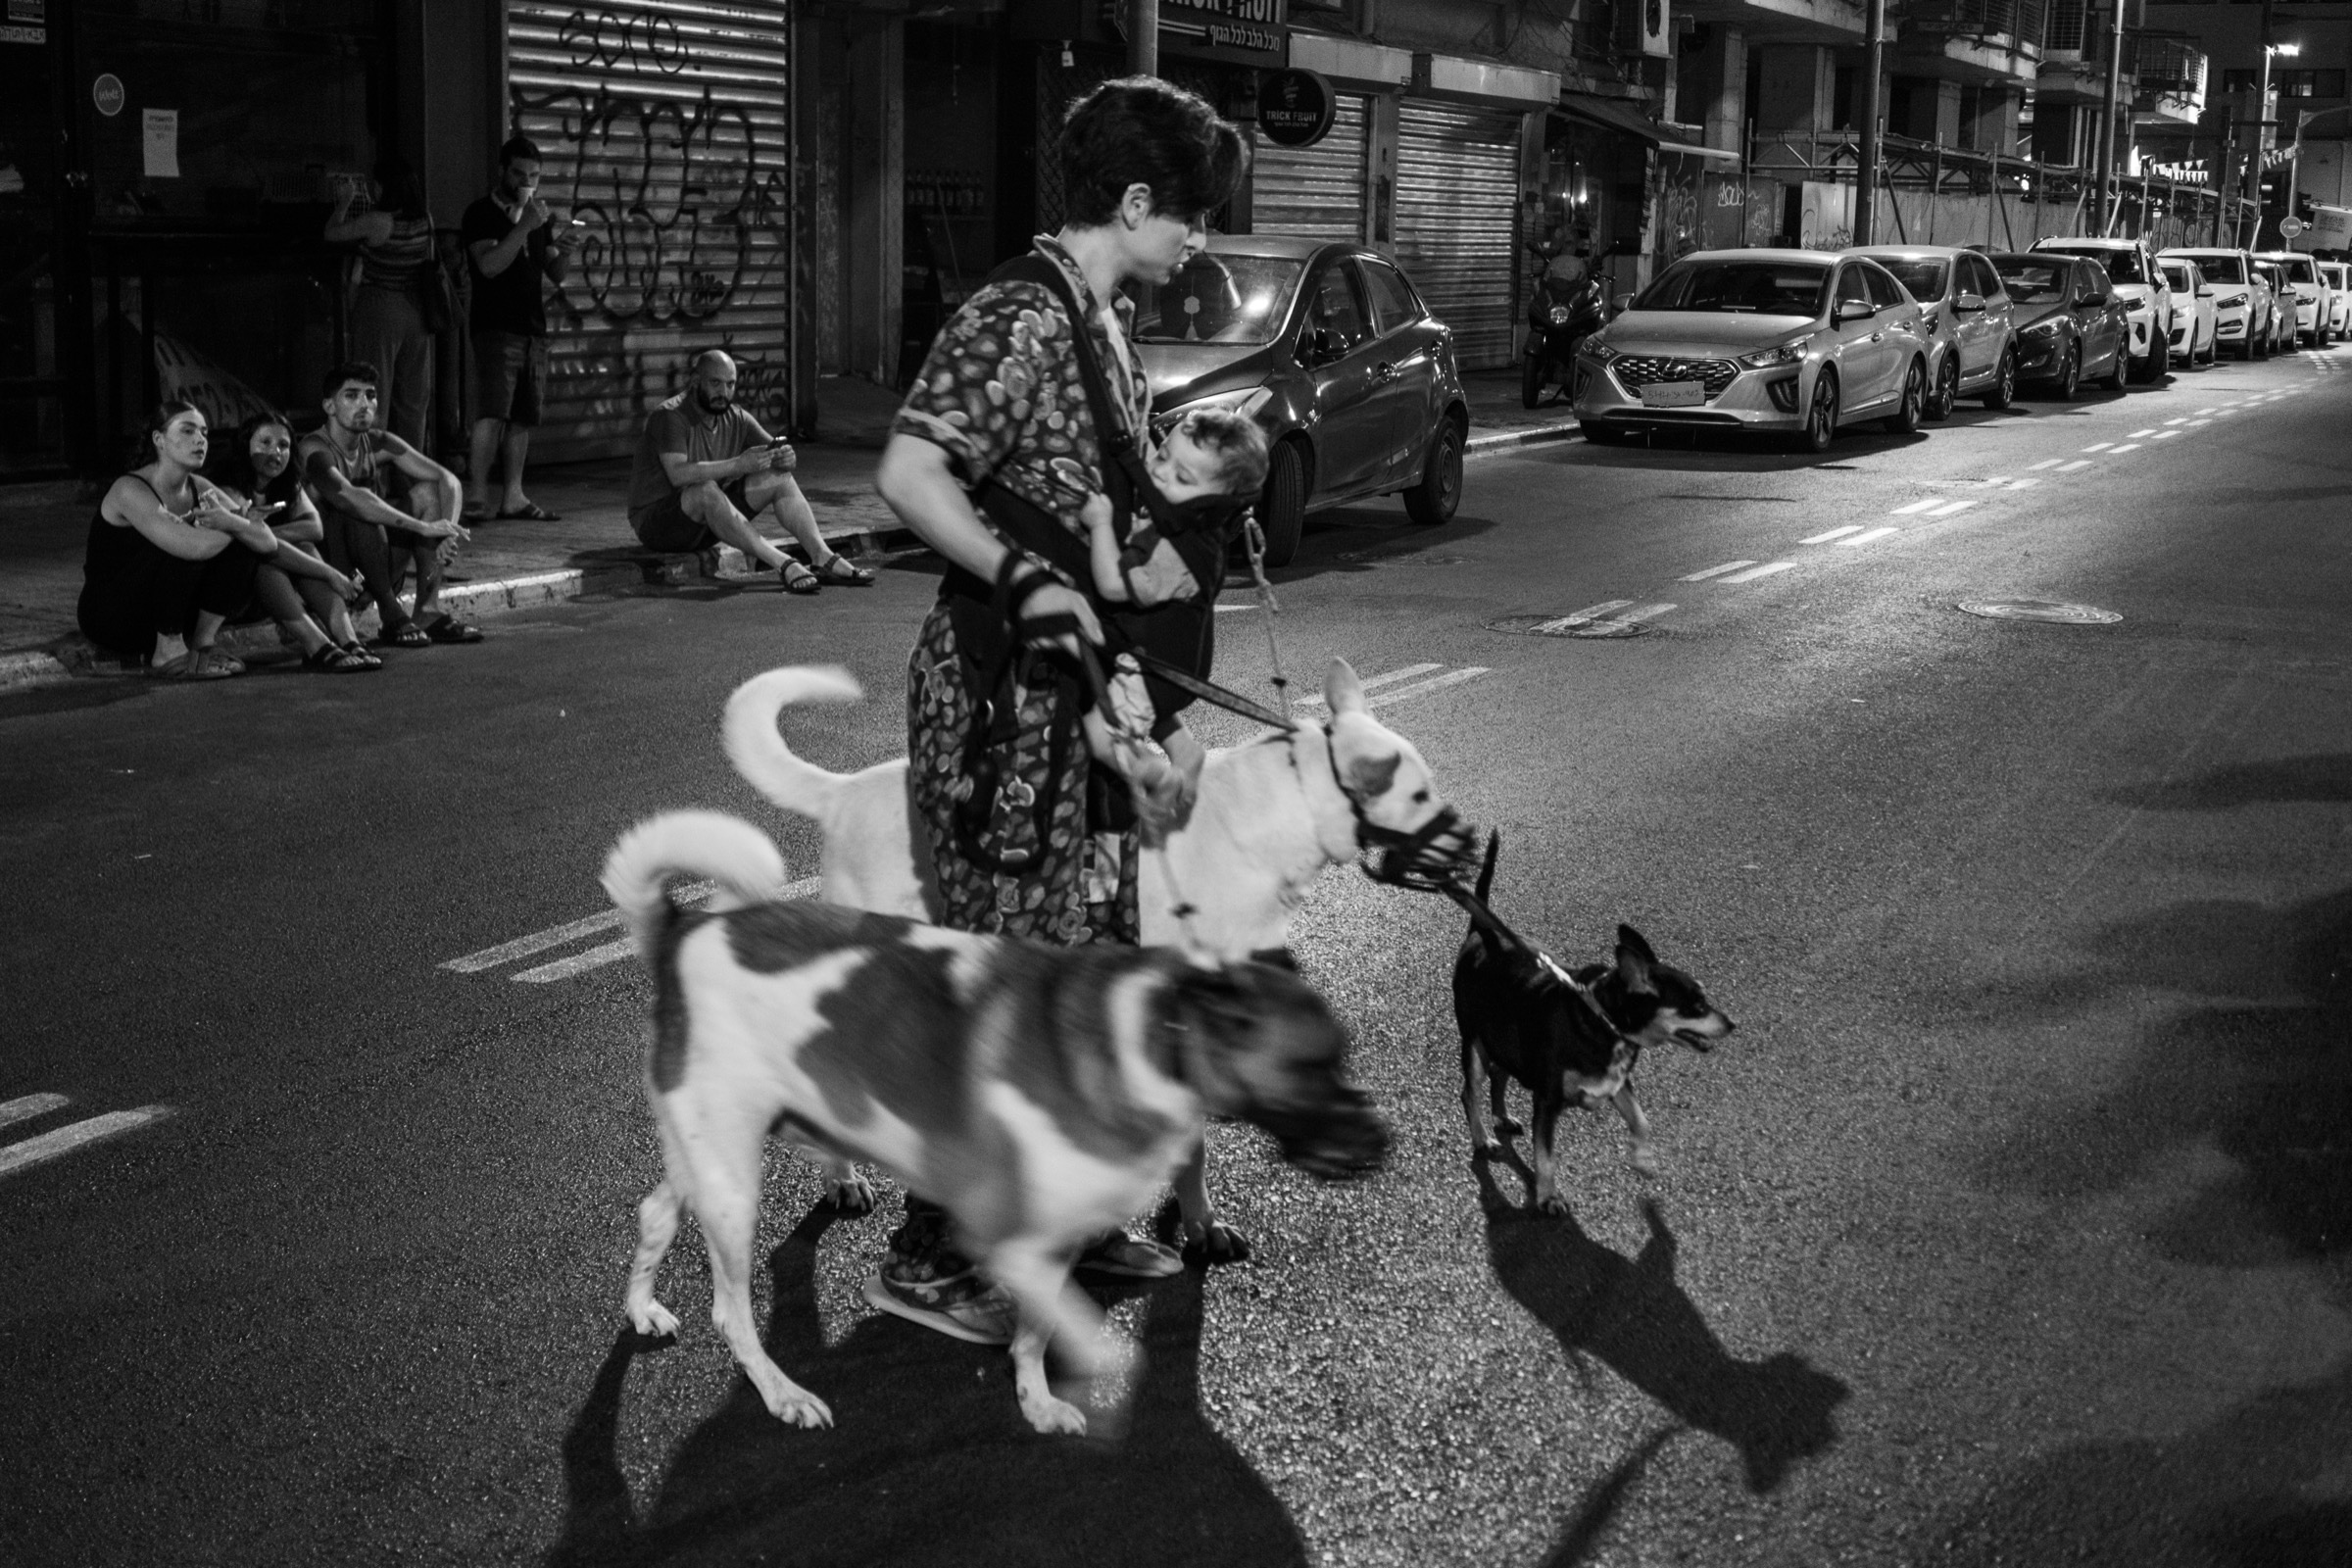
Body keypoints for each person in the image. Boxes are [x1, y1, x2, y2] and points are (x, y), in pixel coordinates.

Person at [870, 75, 1246, 1342]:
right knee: (994, 974)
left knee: (1076, 968)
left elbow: (1116, 528)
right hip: (990, 705)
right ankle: (931, 1249)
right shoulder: (1016, 317)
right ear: (1134, 201)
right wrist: (1016, 571)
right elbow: (910, 472)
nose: (1197, 238)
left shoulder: (1110, 328)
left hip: (1070, 713)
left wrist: (1140, 684)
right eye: (1189, 214)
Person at [626, 350, 875, 593]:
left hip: (706, 525)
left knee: (779, 477)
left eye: (730, 384)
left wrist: (787, 457)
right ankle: (782, 562)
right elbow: (678, 474)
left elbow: (777, 449)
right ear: (695, 382)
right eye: (715, 383)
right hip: (658, 525)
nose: (723, 393)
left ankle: (822, 555)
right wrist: (738, 464)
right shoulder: (670, 416)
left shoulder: (737, 418)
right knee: (706, 490)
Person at [80, 402, 292, 679]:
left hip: (165, 612)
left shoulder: (200, 486)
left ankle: (203, 643)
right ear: (159, 440)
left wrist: (237, 523)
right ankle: (168, 652)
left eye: (204, 433)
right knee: (193, 539)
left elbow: (267, 542)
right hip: (114, 616)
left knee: (243, 545)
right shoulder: (129, 489)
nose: (200, 440)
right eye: (188, 431)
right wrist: (237, 524)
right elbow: (193, 547)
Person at [299, 361, 481, 648]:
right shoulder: (314, 448)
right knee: (360, 508)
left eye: (370, 395)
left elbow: (447, 479)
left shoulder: (378, 442)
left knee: (429, 494)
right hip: (335, 570)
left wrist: (448, 530)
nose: (364, 404)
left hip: (377, 562)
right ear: (329, 406)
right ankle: (390, 609)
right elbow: (348, 496)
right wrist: (423, 527)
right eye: (351, 395)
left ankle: (427, 611)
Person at [460, 135, 577, 522]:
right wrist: (524, 226)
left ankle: (514, 495)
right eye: (519, 173)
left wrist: (567, 248)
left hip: (532, 327)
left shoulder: (537, 216)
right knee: (492, 412)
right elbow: (489, 265)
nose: (526, 181)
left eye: (534, 175)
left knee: (523, 416)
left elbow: (553, 271)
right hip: (496, 326)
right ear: (502, 172)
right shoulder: (481, 214)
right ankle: (476, 495)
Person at [213, 414, 380, 671]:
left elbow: (314, 528)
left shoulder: (287, 482)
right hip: (228, 593)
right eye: (265, 443)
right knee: (264, 557)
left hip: (276, 590)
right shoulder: (226, 485)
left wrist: (264, 534)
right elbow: (252, 543)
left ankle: (349, 640)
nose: (275, 452)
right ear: (245, 446)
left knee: (302, 547)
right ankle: (317, 646)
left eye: (283, 445)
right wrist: (329, 572)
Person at [323, 160, 440, 449]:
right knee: (414, 402)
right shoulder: (425, 219)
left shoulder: (378, 221)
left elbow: (331, 233)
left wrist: (344, 202)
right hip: (417, 311)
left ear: (383, 187)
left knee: (374, 397)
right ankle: (412, 478)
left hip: (379, 309)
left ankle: (375, 474)